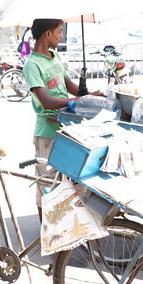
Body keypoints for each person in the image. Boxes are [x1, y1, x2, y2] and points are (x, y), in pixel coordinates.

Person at [22, 19, 103, 219]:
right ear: (47, 34)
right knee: (47, 188)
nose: (62, 35)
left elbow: (68, 85)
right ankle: (46, 233)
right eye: (59, 31)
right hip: (47, 133)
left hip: (68, 130)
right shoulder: (32, 65)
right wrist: (73, 102)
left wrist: (90, 95)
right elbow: (46, 101)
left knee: (71, 185)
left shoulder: (55, 56)